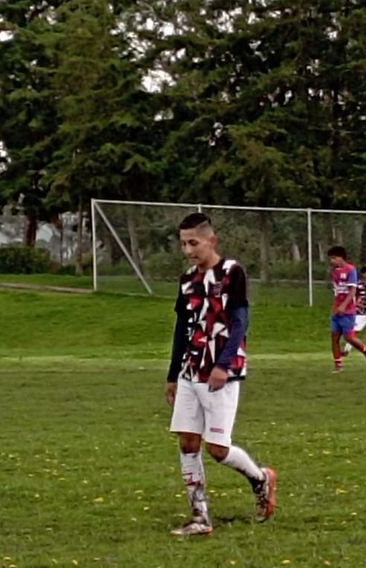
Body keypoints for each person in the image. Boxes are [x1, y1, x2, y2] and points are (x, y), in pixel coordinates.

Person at [165, 213, 276, 537]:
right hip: (190, 371)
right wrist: (173, 374)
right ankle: (199, 516)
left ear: (211, 241)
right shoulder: (187, 280)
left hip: (221, 373)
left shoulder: (232, 272)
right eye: (183, 244)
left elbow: (240, 322)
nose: (188, 250)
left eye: (194, 243)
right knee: (187, 441)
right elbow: (182, 329)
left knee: (217, 448)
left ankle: (261, 478)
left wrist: (223, 365)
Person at [327, 246, 366, 373]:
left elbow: (352, 291)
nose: (332, 261)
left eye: (334, 258)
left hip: (348, 311)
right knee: (334, 337)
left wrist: (343, 305)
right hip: (336, 310)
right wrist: (336, 307)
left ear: (341, 257)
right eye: (330, 258)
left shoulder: (350, 270)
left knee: (349, 337)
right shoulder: (334, 272)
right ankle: (338, 365)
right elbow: (337, 292)